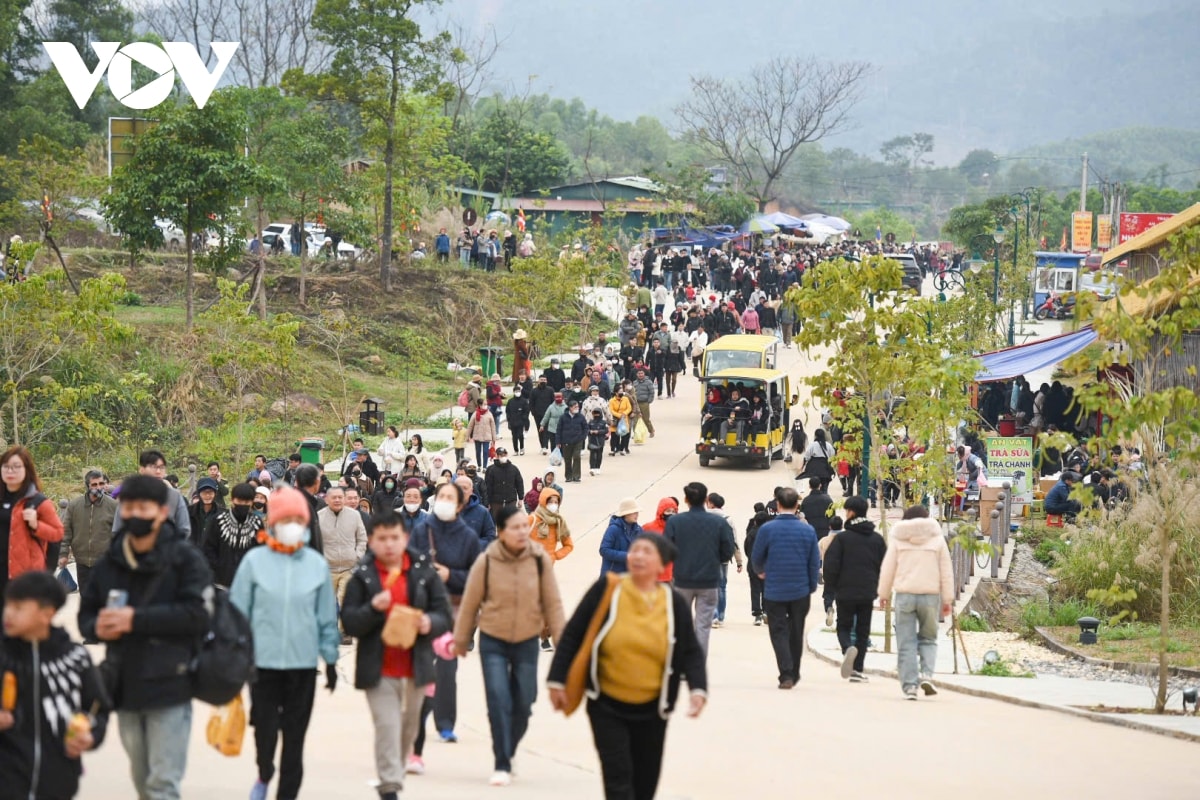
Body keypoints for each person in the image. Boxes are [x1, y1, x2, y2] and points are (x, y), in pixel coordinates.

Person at [78, 475, 211, 800]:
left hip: (171, 683)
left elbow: (199, 615)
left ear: (162, 512)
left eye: (144, 507)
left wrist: (135, 620)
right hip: (125, 684)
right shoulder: (112, 562)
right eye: (130, 507)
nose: (136, 514)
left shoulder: (185, 559)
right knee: (142, 778)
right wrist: (98, 627)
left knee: (162, 784)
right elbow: (86, 618)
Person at [546, 535, 707, 800]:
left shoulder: (673, 603)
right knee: (618, 780)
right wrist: (557, 679)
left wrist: (698, 688)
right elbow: (574, 633)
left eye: (647, 552)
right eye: (635, 551)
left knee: (645, 785)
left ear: (662, 565)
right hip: (607, 706)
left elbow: (690, 650)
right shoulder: (607, 590)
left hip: (654, 710)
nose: (639, 556)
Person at [231, 486, 341, 800]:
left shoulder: (316, 566)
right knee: (265, 731)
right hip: (262, 664)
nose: (292, 523)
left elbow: (325, 618)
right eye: (286, 518)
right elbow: (237, 613)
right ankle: (264, 771)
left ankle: (286, 795)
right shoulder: (254, 562)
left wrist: (330, 660)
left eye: (298, 518)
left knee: (294, 739)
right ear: (272, 522)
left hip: (302, 665)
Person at [340, 510, 453, 800]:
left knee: (408, 729)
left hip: (416, 666)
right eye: (382, 539)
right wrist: (372, 608)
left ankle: (395, 773)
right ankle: (389, 787)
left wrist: (430, 623)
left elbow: (444, 613)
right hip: (379, 669)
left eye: (394, 538)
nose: (389, 544)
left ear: (405, 538)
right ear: (372, 542)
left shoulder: (423, 571)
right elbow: (349, 622)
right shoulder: (362, 577)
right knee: (387, 726)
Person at [453, 506, 565, 787]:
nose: (522, 532)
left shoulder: (539, 559)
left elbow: (553, 604)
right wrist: (460, 639)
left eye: (524, 526)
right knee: (498, 697)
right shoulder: (487, 561)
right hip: (493, 639)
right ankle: (501, 761)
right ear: (501, 533)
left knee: (525, 702)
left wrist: (565, 646)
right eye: (514, 528)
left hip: (527, 638)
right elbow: (470, 603)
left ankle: (510, 748)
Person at [0, 571, 110, 800]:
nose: (8, 614)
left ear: (47, 613)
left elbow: (98, 707)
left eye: (18, 608)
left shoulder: (75, 658)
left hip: (58, 781)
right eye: (7, 606)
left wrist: (90, 735)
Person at [410, 481, 481, 744]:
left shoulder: (468, 537)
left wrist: (451, 574)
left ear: (460, 505)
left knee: (447, 669)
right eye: (442, 496)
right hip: (424, 607)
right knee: (422, 664)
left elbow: (476, 577)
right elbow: (409, 566)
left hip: (454, 609)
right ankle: (416, 719)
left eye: (451, 498)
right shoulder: (421, 531)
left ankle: (445, 723)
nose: (445, 501)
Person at [877, 504, 954, 700]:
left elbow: (888, 568)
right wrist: (948, 599)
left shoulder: (898, 538)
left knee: (906, 641)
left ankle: (910, 687)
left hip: (905, 595)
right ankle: (927, 674)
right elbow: (946, 571)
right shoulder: (937, 539)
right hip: (930, 596)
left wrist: (883, 594)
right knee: (928, 638)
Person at [750, 487, 820, 689]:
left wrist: (760, 571)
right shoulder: (808, 530)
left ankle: (786, 672)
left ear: (778, 504)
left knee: (778, 631)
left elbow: (756, 557)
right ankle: (794, 671)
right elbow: (814, 561)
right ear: (797, 505)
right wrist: (811, 585)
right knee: (796, 631)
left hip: (774, 589)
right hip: (800, 590)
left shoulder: (767, 529)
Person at [664, 482, 735, 656]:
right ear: (705, 499)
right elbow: (728, 550)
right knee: (703, 626)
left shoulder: (675, 522)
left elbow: (666, 549)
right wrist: (714, 560)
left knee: (681, 624)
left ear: (686, 499)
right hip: (709, 581)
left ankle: (680, 663)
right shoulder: (719, 522)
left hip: (682, 580)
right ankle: (697, 666)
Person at [822, 496, 886, 683]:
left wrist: (831, 589)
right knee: (863, 630)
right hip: (868, 591)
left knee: (844, 626)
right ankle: (857, 669)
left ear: (850, 513)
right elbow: (885, 565)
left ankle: (847, 648)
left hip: (845, 591)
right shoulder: (877, 540)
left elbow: (831, 566)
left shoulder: (842, 539)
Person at [1, 446, 64, 604]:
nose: (10, 471)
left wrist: (36, 525)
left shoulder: (37, 501)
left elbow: (57, 533)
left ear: (27, 470)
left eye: (16, 467)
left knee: (22, 626)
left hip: (26, 579)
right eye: (6, 466)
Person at [317, 486, 368, 641]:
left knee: (346, 599)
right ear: (327, 499)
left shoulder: (354, 516)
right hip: (327, 567)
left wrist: (357, 556)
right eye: (334, 497)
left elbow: (362, 538)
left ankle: (345, 632)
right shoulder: (319, 516)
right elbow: (316, 541)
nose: (338, 500)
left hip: (349, 567)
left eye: (340, 497)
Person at [59, 469, 117, 598]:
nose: (99, 487)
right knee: (86, 599)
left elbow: (118, 534)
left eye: (101, 484)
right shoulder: (74, 506)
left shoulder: (113, 506)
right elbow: (66, 531)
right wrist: (63, 554)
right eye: (94, 485)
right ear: (87, 486)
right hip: (82, 562)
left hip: (105, 563)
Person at [528, 485, 573, 651]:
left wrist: (555, 555)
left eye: (556, 502)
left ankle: (545, 637)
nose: (554, 504)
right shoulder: (532, 519)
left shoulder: (559, 522)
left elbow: (569, 545)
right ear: (543, 501)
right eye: (551, 501)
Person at [202, 482, 263, 589]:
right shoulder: (218, 521)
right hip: (220, 583)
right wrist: (218, 568)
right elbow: (208, 548)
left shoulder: (257, 523)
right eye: (239, 501)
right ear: (232, 500)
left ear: (252, 502)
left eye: (247, 501)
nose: (243, 504)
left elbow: (261, 551)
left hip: (247, 584)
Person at [706, 493, 742, 628]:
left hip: (708, 558)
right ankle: (720, 616)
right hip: (723, 558)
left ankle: (713, 616)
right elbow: (734, 541)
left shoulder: (705, 516)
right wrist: (739, 561)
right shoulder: (728, 519)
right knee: (722, 587)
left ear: (710, 503)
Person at [742, 504, 771, 625]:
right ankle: (766, 611)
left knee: (755, 589)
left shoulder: (751, 533)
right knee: (766, 589)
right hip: (767, 565)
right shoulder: (770, 533)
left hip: (753, 564)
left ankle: (757, 614)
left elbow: (746, 549)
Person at [600, 498, 643, 575]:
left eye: (637, 512)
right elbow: (604, 550)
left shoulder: (639, 530)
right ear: (626, 514)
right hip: (612, 576)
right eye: (634, 512)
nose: (637, 514)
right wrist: (627, 556)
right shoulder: (613, 529)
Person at [641, 497, 678, 584]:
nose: (671, 514)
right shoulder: (648, 527)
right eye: (668, 511)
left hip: (671, 575)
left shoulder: (677, 528)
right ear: (661, 511)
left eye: (673, 511)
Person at [484, 446, 524, 522]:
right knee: (496, 522)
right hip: (496, 501)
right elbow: (487, 486)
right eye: (500, 455)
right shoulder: (491, 470)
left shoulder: (514, 468)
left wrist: (521, 498)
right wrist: (487, 502)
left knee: (510, 521)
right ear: (496, 456)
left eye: (504, 455)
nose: (503, 457)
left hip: (511, 499)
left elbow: (519, 483)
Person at [557, 400, 589, 483]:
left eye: (577, 406)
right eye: (575, 407)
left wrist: (583, 437)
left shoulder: (581, 417)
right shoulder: (563, 417)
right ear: (570, 408)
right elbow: (559, 430)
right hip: (566, 441)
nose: (577, 408)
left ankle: (576, 476)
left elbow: (586, 428)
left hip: (578, 441)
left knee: (576, 457)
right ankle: (568, 476)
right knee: (567, 459)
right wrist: (558, 442)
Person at [187, 477, 221, 548]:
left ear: (215, 494)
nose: (207, 495)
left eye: (210, 492)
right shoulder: (189, 511)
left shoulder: (222, 514)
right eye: (204, 492)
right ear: (199, 494)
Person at [467, 402, 498, 470]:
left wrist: (494, 438)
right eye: (484, 404)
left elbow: (493, 427)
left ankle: (484, 467)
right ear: (480, 405)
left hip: (487, 436)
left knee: (485, 452)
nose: (485, 406)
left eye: (486, 404)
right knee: (478, 452)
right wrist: (467, 436)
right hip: (477, 436)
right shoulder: (475, 414)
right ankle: (479, 465)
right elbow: (470, 426)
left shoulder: (489, 414)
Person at [506, 384, 531, 456]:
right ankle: (516, 450)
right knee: (514, 436)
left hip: (521, 421)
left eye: (519, 391)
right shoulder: (510, 401)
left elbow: (527, 410)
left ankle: (522, 448)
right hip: (513, 421)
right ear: (513, 392)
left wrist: (524, 418)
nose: (517, 392)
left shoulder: (524, 401)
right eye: (516, 391)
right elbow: (507, 411)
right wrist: (509, 419)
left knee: (520, 435)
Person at [608, 385, 634, 456]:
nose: (622, 393)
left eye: (622, 391)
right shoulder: (611, 400)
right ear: (616, 393)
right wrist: (619, 415)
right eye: (620, 391)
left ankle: (622, 449)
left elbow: (629, 408)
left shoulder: (625, 399)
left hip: (624, 419)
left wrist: (624, 413)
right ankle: (613, 450)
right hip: (615, 419)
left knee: (624, 435)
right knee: (614, 436)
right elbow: (611, 410)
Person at [587, 406, 609, 476]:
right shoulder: (590, 422)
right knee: (592, 455)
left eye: (597, 413)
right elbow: (586, 430)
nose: (596, 415)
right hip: (592, 440)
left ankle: (598, 468)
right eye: (594, 413)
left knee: (599, 455)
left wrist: (598, 432)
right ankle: (592, 468)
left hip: (600, 441)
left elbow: (606, 430)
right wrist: (590, 431)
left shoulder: (603, 422)